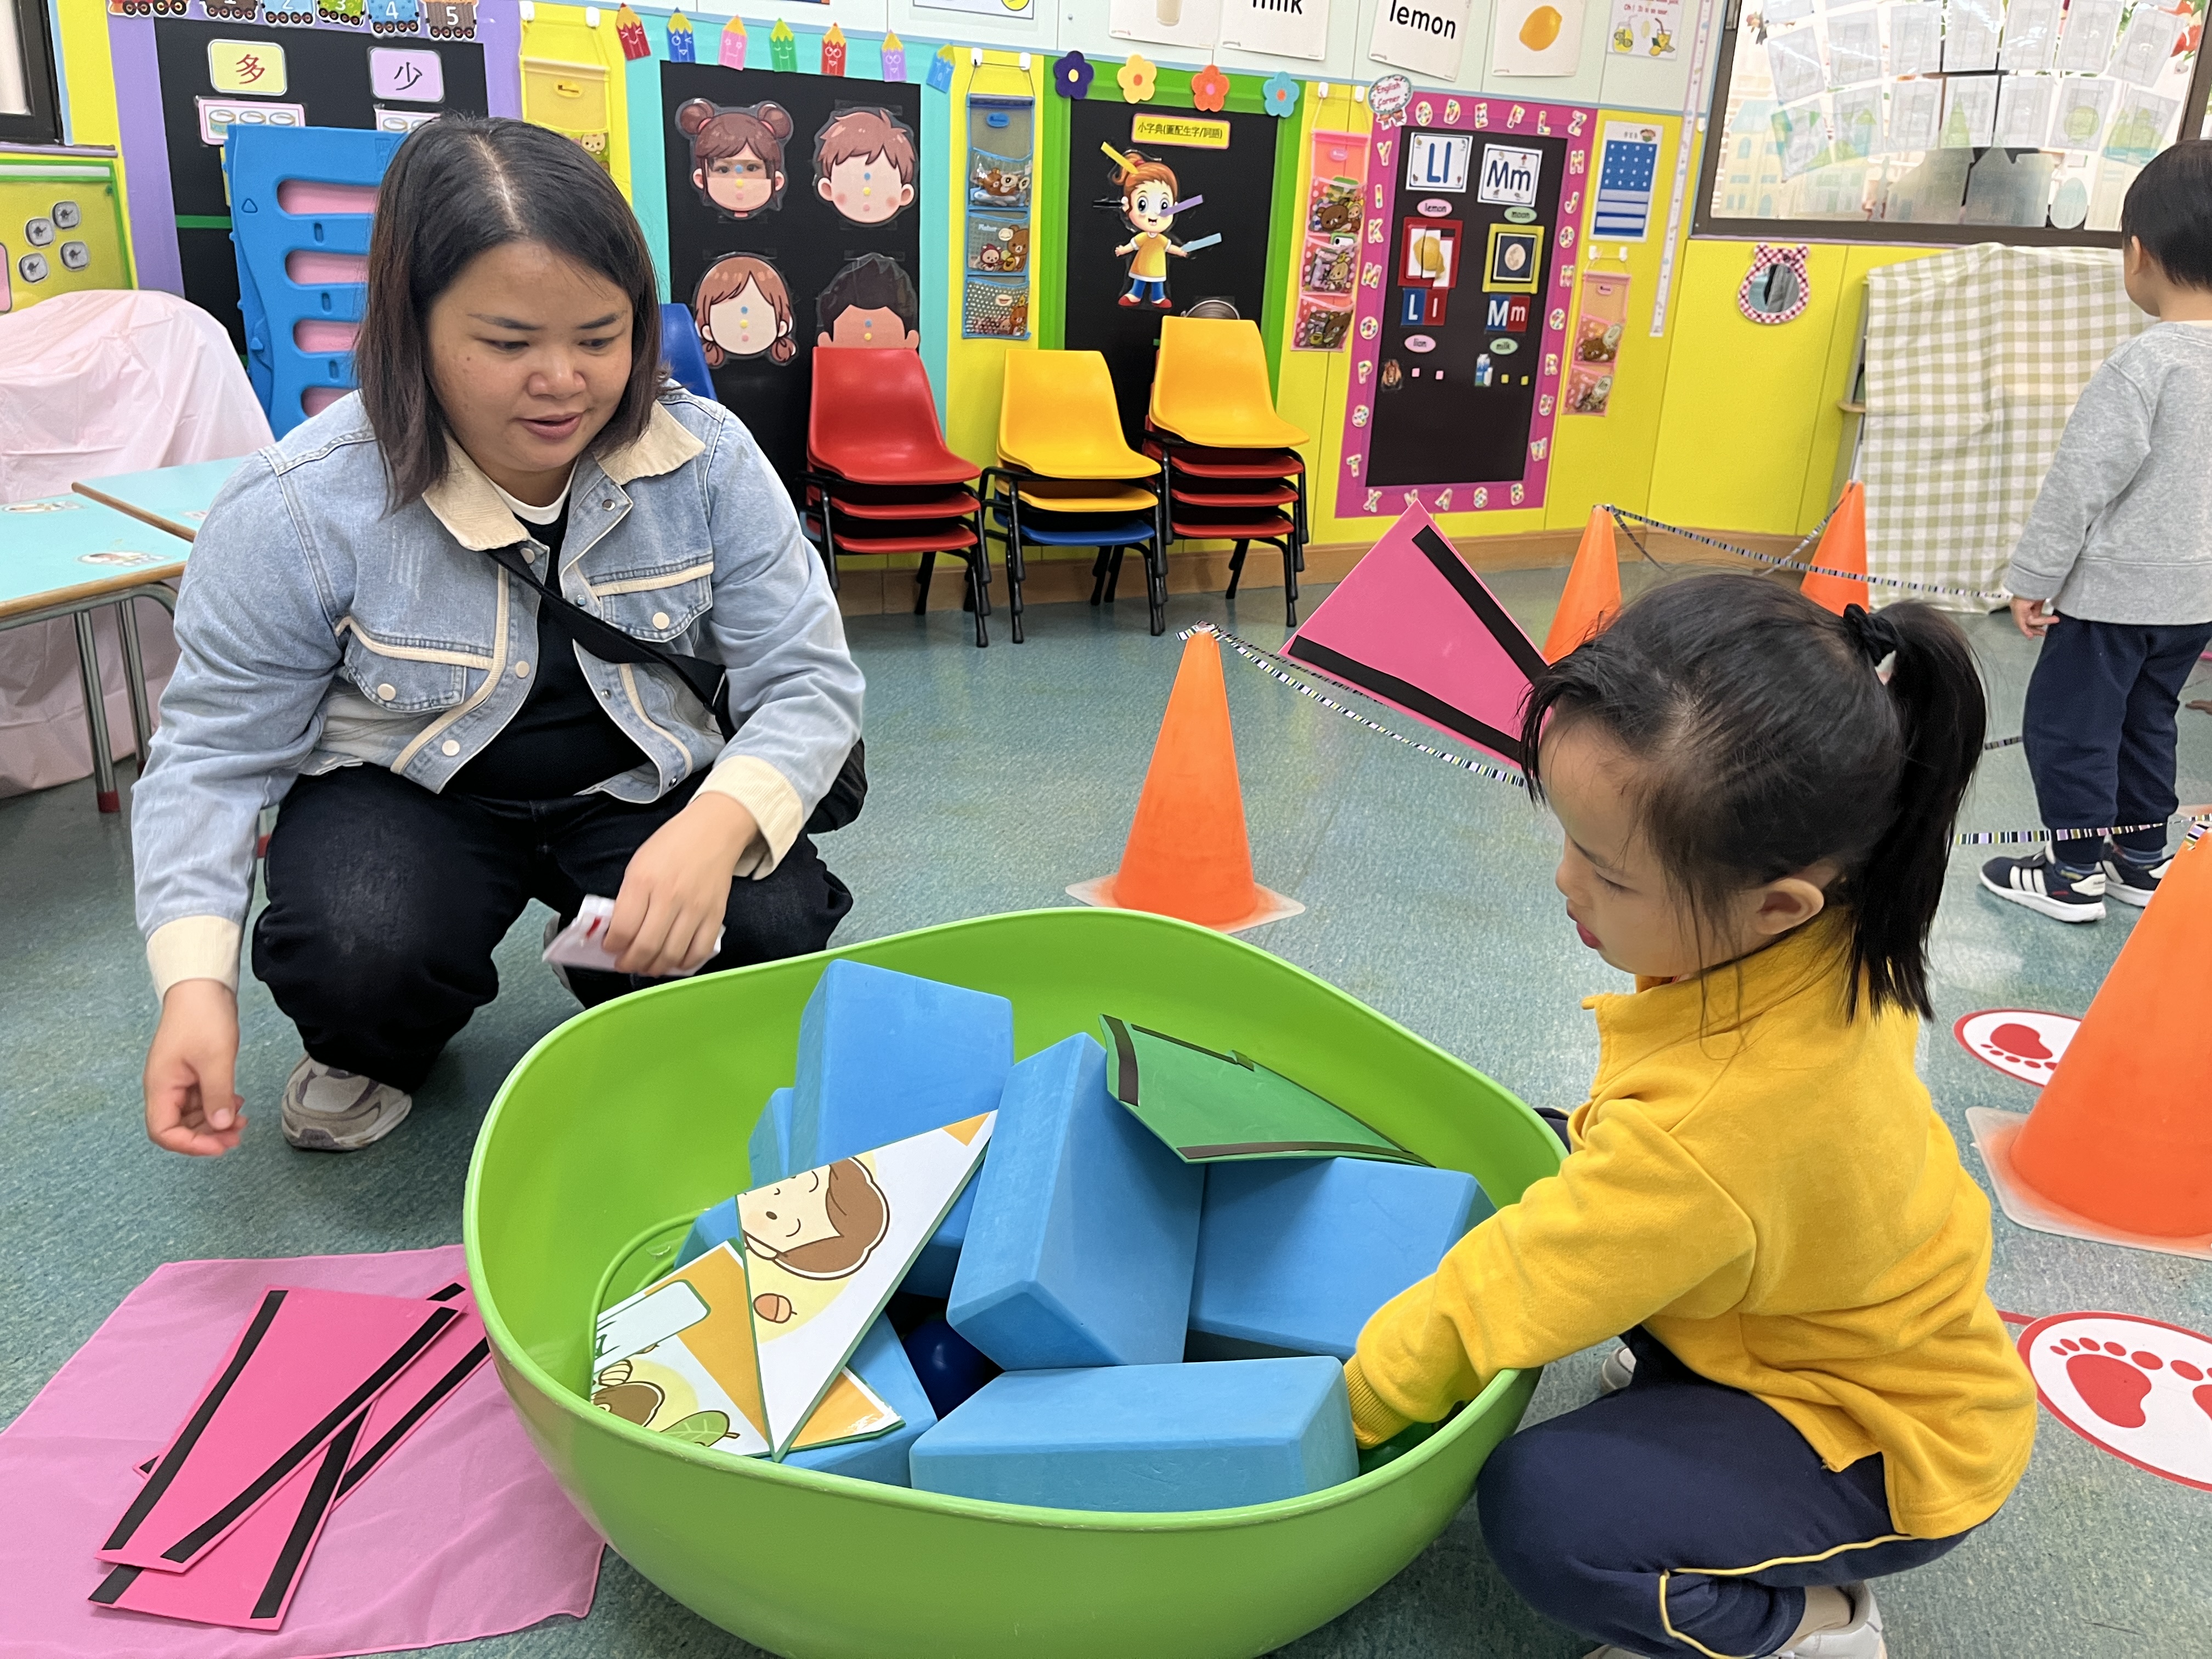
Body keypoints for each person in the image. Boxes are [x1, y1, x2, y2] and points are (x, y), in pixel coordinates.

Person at [133, 116, 862, 1156]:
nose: (562, 380)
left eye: (601, 338)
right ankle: (370, 1047)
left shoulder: (707, 460)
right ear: (411, 326)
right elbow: (212, 754)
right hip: (411, 793)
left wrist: (717, 825)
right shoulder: (297, 505)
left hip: (634, 779)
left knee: (767, 924)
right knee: (358, 949)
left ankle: (598, 952)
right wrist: (192, 985)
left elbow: (808, 680)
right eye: (509, 343)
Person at [1343, 577, 2034, 1659]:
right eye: (1568, 839)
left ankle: (1814, 1624)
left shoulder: (1716, 1122)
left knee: (1549, 1511)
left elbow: (1516, 1284)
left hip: (1880, 1434)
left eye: (1609, 874)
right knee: (1560, 1157)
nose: (1565, 883)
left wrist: (1353, 1404)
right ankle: (1694, 1401)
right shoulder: (1836, 917)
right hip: (1799, 1307)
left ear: (1776, 905)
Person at [1981, 139, 2212, 922]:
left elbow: (2078, 485)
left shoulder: (2145, 365)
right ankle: (2140, 861)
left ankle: (2071, 872)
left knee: (2069, 727)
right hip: (2194, 605)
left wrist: (2033, 579)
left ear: (2138, 253)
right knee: (2150, 721)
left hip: (2113, 600)